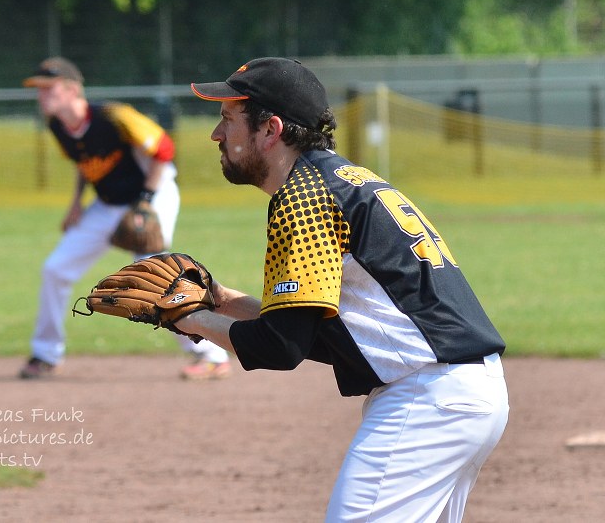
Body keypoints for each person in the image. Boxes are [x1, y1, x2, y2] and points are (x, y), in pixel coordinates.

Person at [179, 57, 509, 521]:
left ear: (270, 129)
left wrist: (185, 318)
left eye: (228, 118)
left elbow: (281, 346)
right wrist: (223, 302)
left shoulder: (304, 199)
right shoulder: (340, 180)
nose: (217, 134)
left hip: (427, 400)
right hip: (463, 393)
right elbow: (317, 330)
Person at [19, 57, 231, 380]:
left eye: (49, 88)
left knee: (156, 277)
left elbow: (163, 149)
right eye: (39, 89)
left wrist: (145, 202)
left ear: (73, 90)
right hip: (107, 204)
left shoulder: (114, 116)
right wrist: (76, 203)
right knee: (55, 269)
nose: (42, 95)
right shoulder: (58, 126)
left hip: (153, 192)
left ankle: (211, 354)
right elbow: (84, 161)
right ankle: (46, 354)